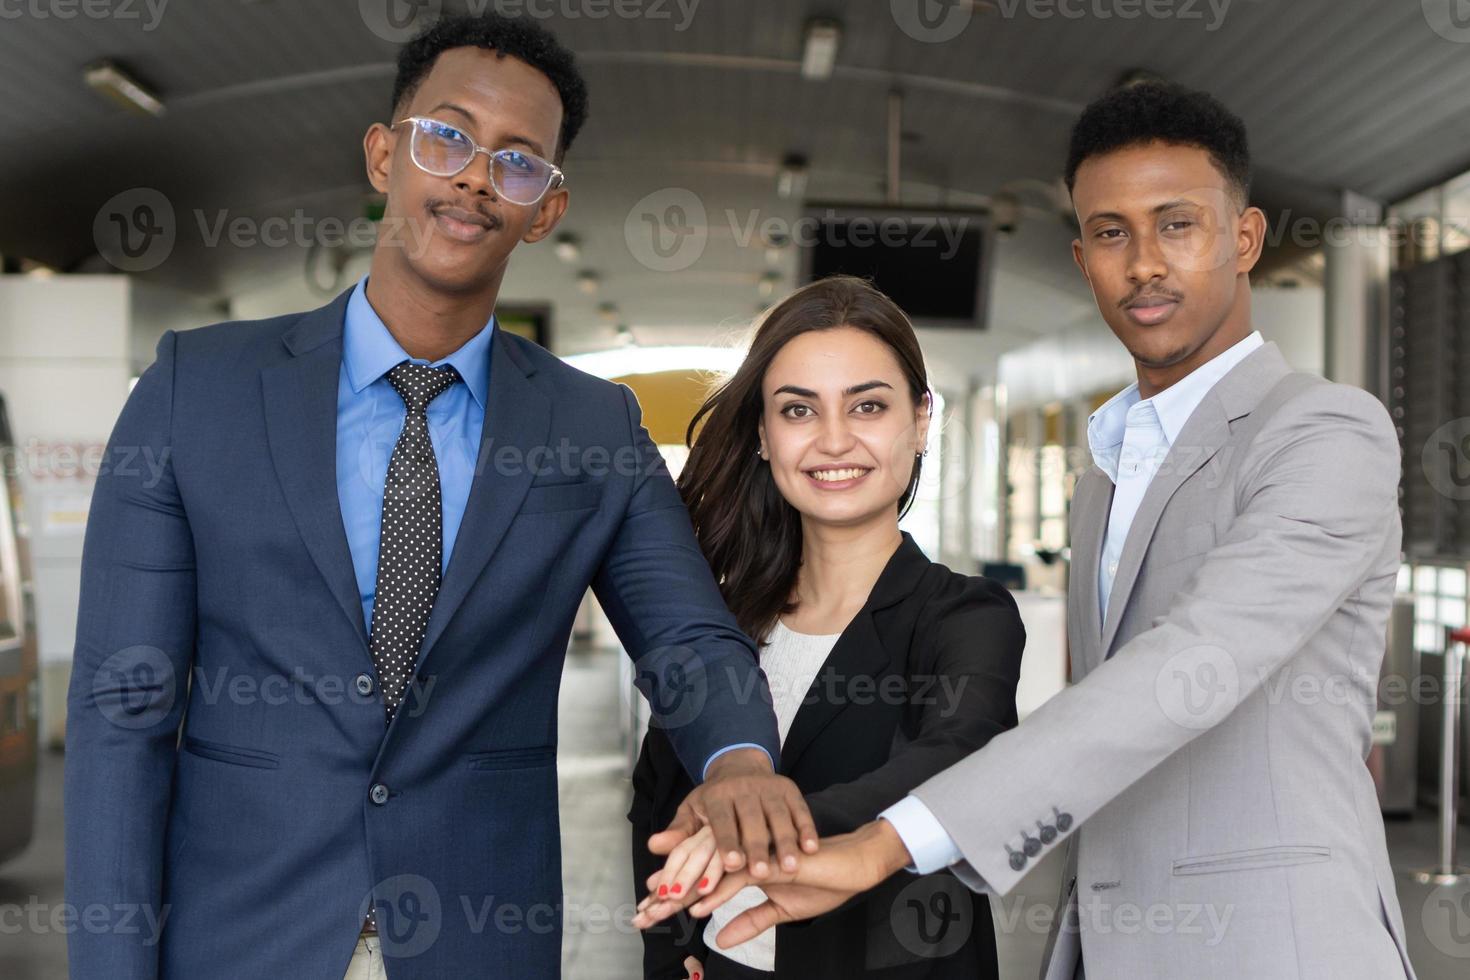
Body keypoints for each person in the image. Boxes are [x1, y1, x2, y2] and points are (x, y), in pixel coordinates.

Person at [64, 13, 813, 980]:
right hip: (242, 939)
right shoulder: (193, 391)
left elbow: (687, 638)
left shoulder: (591, 428)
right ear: (386, 156)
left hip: (478, 938)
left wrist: (737, 757)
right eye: (447, 137)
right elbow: (123, 714)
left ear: (544, 207)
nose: (472, 177)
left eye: (516, 161)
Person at [635, 83, 1416, 980]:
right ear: (1083, 260)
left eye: (1178, 225)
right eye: (1113, 234)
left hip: (1274, 945)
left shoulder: (1324, 432)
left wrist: (883, 842)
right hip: (1107, 944)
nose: (1145, 264)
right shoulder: (1106, 472)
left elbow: (1189, 667)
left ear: (1244, 239)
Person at [627, 276, 1025, 980]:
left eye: (868, 405)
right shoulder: (722, 623)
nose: (834, 439)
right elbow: (655, 797)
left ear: (922, 419)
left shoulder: (964, 616)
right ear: (761, 434)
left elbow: (958, 753)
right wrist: (676, 948)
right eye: (798, 410)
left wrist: (759, 816)